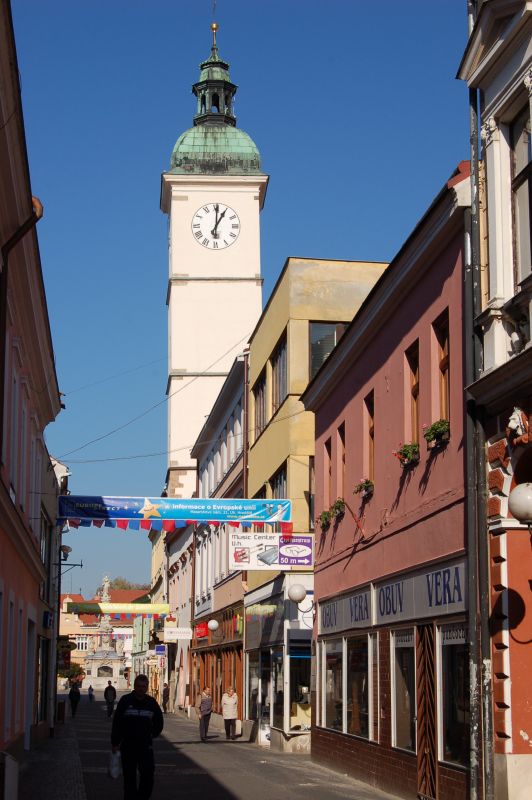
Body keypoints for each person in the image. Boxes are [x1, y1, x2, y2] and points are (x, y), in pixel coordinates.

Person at [111, 674, 163, 800]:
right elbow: (117, 722)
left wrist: (152, 734)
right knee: (129, 777)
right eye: (139, 686)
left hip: (145, 746)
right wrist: (115, 742)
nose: (141, 689)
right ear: (134, 686)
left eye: (144, 686)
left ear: (147, 687)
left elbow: (159, 722)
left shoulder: (151, 703)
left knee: (148, 775)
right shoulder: (125, 700)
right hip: (128, 746)